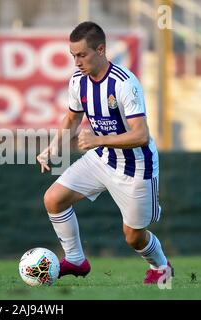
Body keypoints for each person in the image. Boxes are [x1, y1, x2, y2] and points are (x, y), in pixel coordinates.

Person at [36, 21, 173, 285]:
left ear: (101, 50)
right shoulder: (78, 81)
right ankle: (76, 260)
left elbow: (141, 135)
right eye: (73, 56)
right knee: (53, 199)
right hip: (102, 160)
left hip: (136, 167)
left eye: (82, 55)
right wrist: (54, 146)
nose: (77, 62)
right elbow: (73, 118)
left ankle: (162, 267)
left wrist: (99, 139)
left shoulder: (125, 83)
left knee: (133, 236)